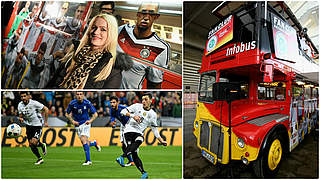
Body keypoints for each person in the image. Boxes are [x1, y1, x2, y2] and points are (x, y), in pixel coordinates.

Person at [59, 14, 131, 89]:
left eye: (103, 29)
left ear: (111, 34)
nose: (96, 32)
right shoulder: (74, 53)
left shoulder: (113, 70)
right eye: (93, 27)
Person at [117, 2, 171, 89]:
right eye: (143, 13)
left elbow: (154, 84)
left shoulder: (161, 48)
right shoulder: (121, 31)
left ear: (156, 17)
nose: (146, 17)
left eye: (151, 14)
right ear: (137, 14)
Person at [116, 93, 167, 178]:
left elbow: (154, 128)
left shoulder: (152, 114)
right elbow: (123, 111)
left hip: (139, 133)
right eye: (142, 99)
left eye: (146, 99)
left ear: (151, 101)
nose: (143, 101)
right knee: (134, 153)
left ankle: (123, 157)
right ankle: (143, 172)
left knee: (139, 141)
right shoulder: (136, 106)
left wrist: (161, 140)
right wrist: (133, 116)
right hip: (128, 131)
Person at [65, 92, 101, 165]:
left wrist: (90, 121)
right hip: (77, 124)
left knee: (83, 139)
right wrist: (72, 121)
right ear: (75, 95)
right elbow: (66, 113)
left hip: (86, 123)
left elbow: (95, 114)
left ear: (83, 95)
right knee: (84, 142)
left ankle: (88, 161)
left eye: (81, 94)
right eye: (77, 94)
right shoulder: (72, 103)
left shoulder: (87, 103)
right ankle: (94, 143)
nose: (79, 96)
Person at [17, 91, 49, 165]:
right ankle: (40, 158)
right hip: (28, 126)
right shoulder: (20, 105)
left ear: (28, 96)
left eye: (24, 96)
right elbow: (20, 115)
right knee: (31, 144)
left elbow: (46, 109)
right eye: (21, 97)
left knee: (34, 141)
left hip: (37, 125)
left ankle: (41, 146)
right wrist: (20, 118)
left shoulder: (34, 103)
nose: (23, 98)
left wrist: (46, 121)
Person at [109, 96, 134, 167]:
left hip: (130, 124)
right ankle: (131, 161)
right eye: (111, 102)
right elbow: (112, 118)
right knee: (123, 145)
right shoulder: (112, 110)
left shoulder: (123, 108)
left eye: (114, 102)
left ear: (118, 102)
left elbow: (133, 112)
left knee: (127, 144)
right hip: (123, 126)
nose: (112, 104)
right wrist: (112, 123)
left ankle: (125, 158)